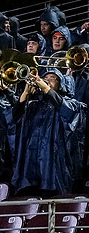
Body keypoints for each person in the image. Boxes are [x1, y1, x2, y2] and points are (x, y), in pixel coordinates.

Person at [11, 68, 86, 197]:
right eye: (45, 78)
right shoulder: (34, 105)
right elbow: (15, 118)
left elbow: (68, 113)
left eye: (53, 79)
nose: (47, 80)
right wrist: (25, 93)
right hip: (31, 166)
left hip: (53, 167)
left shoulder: (73, 104)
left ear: (61, 84)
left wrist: (46, 88)